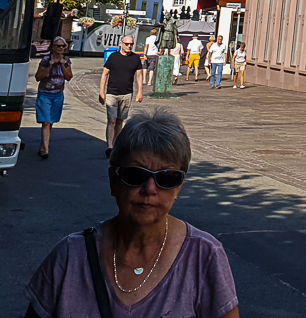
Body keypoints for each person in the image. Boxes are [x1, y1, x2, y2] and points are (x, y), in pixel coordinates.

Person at [23, 109, 239, 318]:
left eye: (167, 178)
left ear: (178, 188)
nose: (150, 189)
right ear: (113, 180)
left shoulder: (204, 255)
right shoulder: (69, 257)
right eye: (136, 174)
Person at [99, 36, 144, 157]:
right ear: (121, 44)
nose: (129, 46)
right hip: (112, 93)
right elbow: (104, 74)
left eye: (131, 44)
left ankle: (116, 144)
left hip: (127, 93)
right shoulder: (113, 57)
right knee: (112, 120)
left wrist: (140, 91)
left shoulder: (135, 58)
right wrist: (101, 92)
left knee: (120, 121)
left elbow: (139, 76)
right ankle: (109, 146)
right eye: (127, 44)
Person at [34, 37, 73, 159]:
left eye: (63, 46)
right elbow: (38, 77)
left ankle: (42, 145)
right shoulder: (46, 60)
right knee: (46, 122)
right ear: (53, 47)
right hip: (45, 94)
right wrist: (49, 66)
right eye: (58, 46)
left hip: (57, 95)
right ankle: (46, 149)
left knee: (50, 122)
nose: (61, 48)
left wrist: (62, 66)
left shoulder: (66, 60)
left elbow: (69, 77)